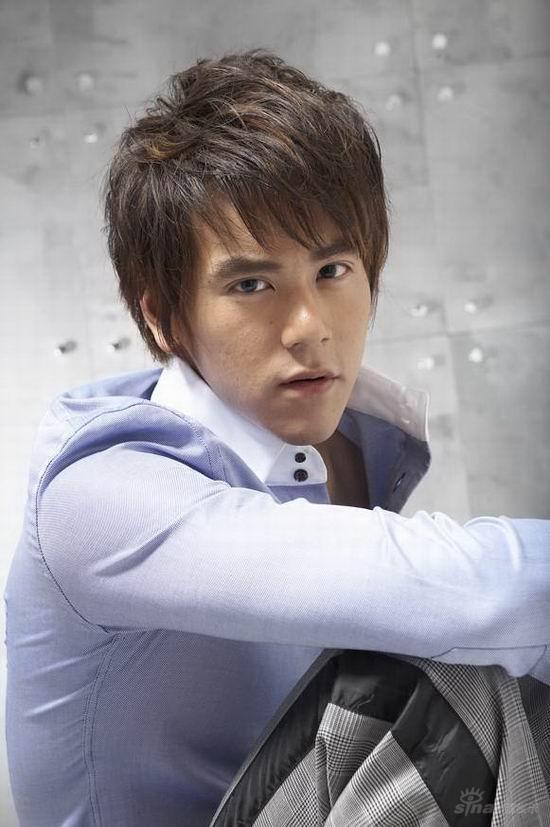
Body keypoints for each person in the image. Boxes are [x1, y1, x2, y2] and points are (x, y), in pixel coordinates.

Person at [4, 48, 549, 826]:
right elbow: (474, 597)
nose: (309, 327)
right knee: (463, 662)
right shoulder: (98, 496)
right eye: (251, 284)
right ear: (164, 314)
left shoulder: (348, 439)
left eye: (333, 270)